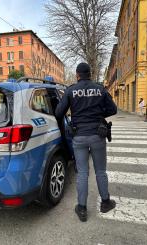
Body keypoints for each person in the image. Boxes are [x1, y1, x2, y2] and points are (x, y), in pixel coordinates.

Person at [55, 63, 117, 222]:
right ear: (90, 74)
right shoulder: (100, 89)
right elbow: (113, 110)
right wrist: (98, 114)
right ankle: (105, 202)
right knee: (101, 171)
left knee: (82, 173)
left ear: (77, 75)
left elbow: (58, 113)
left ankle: (81, 209)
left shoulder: (71, 90)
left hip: (79, 136)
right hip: (98, 135)